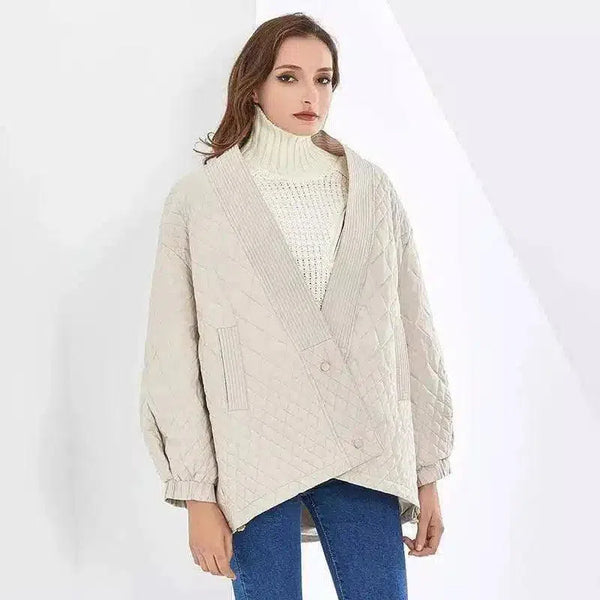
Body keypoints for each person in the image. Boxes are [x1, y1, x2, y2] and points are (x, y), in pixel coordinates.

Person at [139, 12, 454, 600]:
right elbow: (171, 353)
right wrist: (196, 493)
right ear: (253, 85)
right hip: (253, 454)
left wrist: (427, 472)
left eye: (324, 79)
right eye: (289, 77)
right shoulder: (200, 199)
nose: (311, 95)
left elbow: (414, 333)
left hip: (366, 445)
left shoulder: (373, 189)